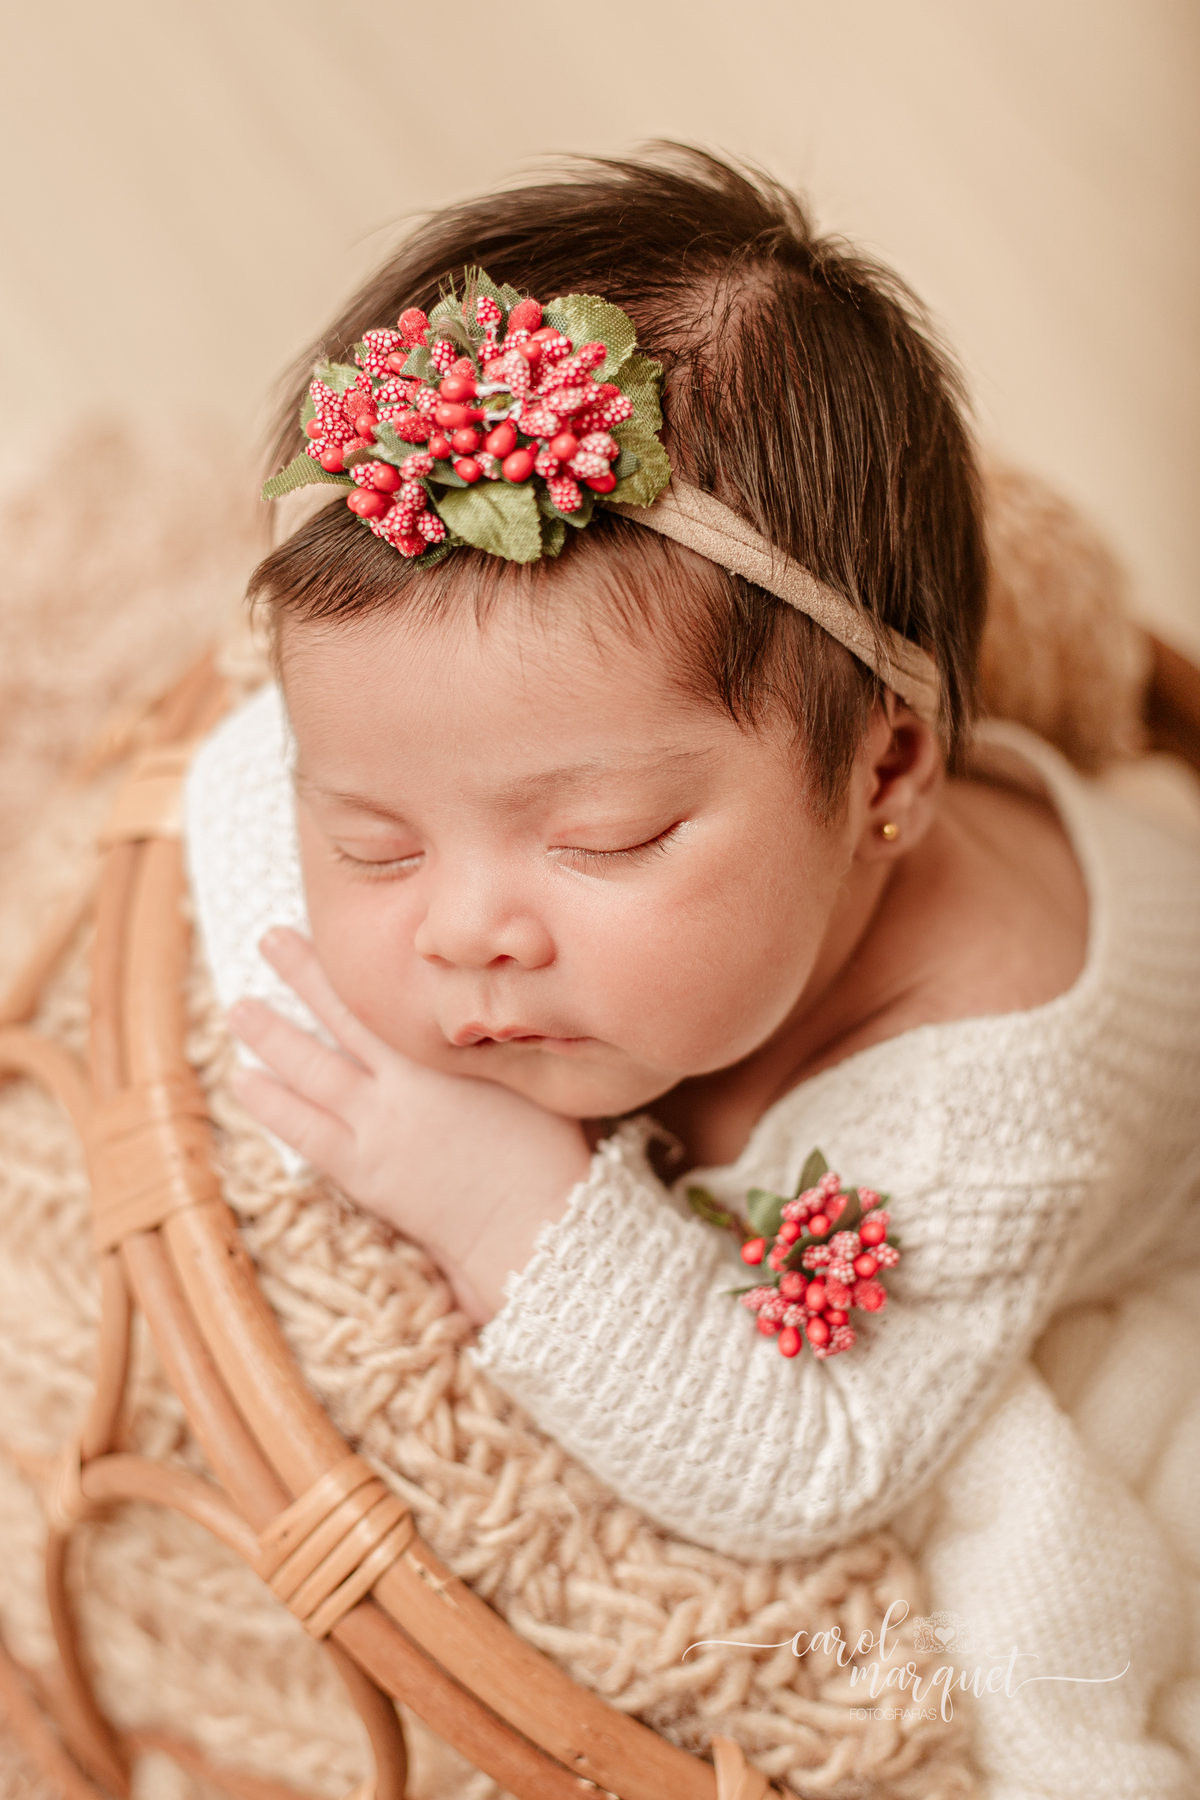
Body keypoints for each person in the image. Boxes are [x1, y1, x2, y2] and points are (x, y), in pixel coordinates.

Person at [184, 151, 1200, 1798]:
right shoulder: (504, 804)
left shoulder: (983, 1095)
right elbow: (239, 772)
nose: (461, 936)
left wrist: (511, 1207)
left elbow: (815, 1451)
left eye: (602, 838)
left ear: (885, 781)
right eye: (376, 842)